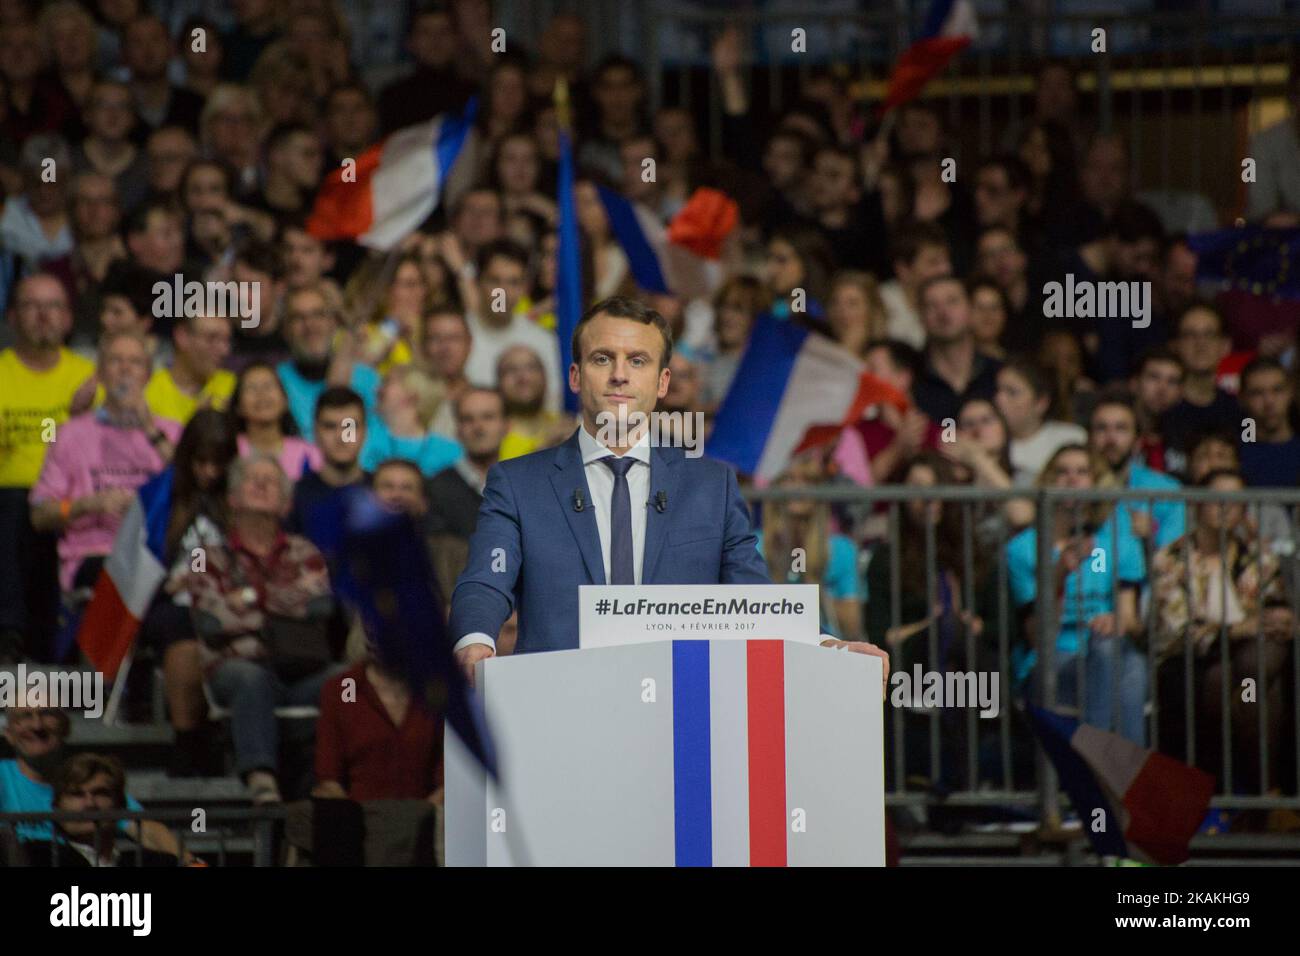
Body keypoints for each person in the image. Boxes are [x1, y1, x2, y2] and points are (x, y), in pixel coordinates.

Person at [449, 296, 889, 676]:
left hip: (679, 713)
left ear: (661, 383)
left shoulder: (710, 485)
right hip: (562, 705)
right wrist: (475, 639)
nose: (620, 374)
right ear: (575, 377)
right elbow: (486, 581)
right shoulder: (517, 482)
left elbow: (754, 599)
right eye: (603, 359)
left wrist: (828, 646)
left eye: (637, 361)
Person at [173, 454, 337, 804]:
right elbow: (211, 622)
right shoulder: (207, 555)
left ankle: (337, 777)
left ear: (285, 503)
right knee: (251, 678)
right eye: (252, 479)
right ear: (232, 498)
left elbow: (320, 607)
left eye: (271, 481)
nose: (262, 484)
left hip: (299, 668)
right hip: (236, 667)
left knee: (348, 682)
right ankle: (260, 777)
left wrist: (246, 597)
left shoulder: (305, 551)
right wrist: (286, 606)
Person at [1150, 469, 1294, 794]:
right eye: (1217, 499)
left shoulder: (1258, 556)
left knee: (1251, 668)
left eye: (1236, 501)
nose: (1226, 507)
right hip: (1196, 659)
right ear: (1199, 505)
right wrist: (1238, 629)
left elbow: (1275, 607)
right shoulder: (1171, 558)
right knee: (1250, 685)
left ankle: (1244, 797)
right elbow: (1177, 632)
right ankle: (1265, 794)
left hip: (1250, 660)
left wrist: (1284, 619)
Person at [1005, 444, 1148, 744]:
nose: (1072, 479)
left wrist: (1116, 621)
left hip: (1106, 649)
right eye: (1062, 472)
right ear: (1046, 481)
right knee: (1127, 667)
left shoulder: (1120, 543)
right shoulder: (1022, 548)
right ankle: (1113, 776)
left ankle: (1096, 769)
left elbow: (1131, 619)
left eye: (1082, 472)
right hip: (1054, 658)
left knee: (1123, 659)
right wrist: (1058, 574)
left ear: (1095, 483)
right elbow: (1039, 637)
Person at [30, 330, 180, 598]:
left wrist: (148, 428)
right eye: (115, 361)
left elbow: (191, 488)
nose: (125, 369)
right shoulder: (68, 433)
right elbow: (39, 514)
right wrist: (88, 504)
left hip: (156, 554)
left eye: (134, 362)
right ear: (99, 373)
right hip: (94, 557)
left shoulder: (171, 431)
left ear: (148, 375)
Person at [0, 274, 96, 662]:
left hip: (74, 502)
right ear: (11, 318)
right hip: (9, 501)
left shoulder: (89, 379)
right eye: (31, 305)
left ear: (69, 319)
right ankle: (12, 635)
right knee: (16, 506)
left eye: (54, 305)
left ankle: (39, 641)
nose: (43, 315)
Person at [0, 705, 180, 856]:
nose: (37, 725)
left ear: (66, 728)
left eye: (48, 714)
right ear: (8, 733)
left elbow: (145, 829)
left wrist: (191, 862)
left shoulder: (86, 777)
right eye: (24, 717)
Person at [756, 448, 863, 641]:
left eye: (808, 480)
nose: (798, 488)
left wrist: (811, 596)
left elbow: (851, 625)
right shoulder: (753, 547)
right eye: (790, 479)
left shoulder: (840, 550)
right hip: (769, 648)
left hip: (827, 649)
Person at [426, 388, 509, 606]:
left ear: (506, 426)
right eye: (468, 419)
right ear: (457, 429)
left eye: (488, 417)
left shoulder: (525, 485)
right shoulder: (434, 489)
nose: (479, 427)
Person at [463, 240, 563, 411]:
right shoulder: (456, 336)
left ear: (525, 287)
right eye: (495, 281)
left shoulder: (545, 341)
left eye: (513, 282)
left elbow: (553, 403)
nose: (502, 293)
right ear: (478, 282)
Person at [37, 753, 181, 867]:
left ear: (120, 805)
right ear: (57, 808)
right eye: (77, 794)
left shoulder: (155, 863)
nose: (90, 803)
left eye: (100, 793)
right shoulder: (36, 858)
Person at [276, 282, 379, 439]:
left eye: (318, 314)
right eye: (298, 318)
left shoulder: (366, 379)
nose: (310, 325)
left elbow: (363, 445)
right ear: (285, 330)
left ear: (333, 323)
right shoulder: (276, 383)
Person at [1088, 391, 1185, 551]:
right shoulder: (1074, 482)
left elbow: (1173, 556)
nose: (1111, 439)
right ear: (1089, 438)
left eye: (1121, 429)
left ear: (1137, 441)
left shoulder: (1167, 490)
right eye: (1101, 428)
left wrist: (1151, 535)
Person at [911, 276, 1002, 425]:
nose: (943, 312)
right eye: (931, 305)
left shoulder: (999, 374)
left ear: (971, 310)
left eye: (952, 301)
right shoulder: (909, 378)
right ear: (921, 316)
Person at [1161, 303, 1242, 464]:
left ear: (1225, 346)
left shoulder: (1241, 413)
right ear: (1175, 345)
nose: (1200, 344)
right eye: (1190, 335)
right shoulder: (1160, 409)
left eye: (1209, 335)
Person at [289, 386, 370, 540]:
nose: (341, 437)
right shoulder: (295, 497)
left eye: (350, 427)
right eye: (330, 426)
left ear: (364, 431)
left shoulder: (383, 493)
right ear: (315, 431)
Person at [994, 357, 1087, 485]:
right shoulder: (987, 441)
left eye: (1012, 392)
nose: (999, 400)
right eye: (998, 390)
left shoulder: (1070, 438)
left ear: (1041, 402)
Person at [360, 365, 462, 477]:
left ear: (411, 395)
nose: (376, 389)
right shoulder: (359, 437)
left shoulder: (452, 453)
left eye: (386, 382)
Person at [228, 361, 321, 480]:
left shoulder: (309, 454)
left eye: (268, 386)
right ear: (238, 406)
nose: (261, 394)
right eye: (251, 388)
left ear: (285, 401)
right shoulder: (230, 451)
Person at [144, 312, 236, 423]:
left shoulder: (235, 389)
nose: (224, 350)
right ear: (182, 336)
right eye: (211, 338)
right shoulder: (147, 393)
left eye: (227, 340)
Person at [496, 344, 572, 461]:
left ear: (546, 377)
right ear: (498, 382)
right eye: (511, 370)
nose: (523, 378)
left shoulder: (566, 426)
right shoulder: (491, 434)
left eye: (532, 368)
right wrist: (546, 445)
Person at [1236, 356, 1300, 488]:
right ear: (1242, 399)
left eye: (1277, 390)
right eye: (1257, 393)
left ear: (1291, 392)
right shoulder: (1234, 456)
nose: (1269, 402)